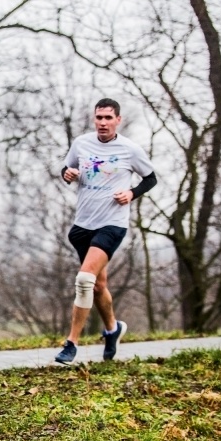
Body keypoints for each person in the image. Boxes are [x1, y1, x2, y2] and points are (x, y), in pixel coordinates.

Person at [55, 98, 157, 364]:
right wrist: (67, 173)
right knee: (99, 286)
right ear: (94, 119)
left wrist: (132, 193)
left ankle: (71, 344)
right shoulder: (82, 143)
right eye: (99, 117)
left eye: (108, 118)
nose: (102, 122)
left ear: (118, 120)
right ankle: (113, 329)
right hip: (83, 225)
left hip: (112, 224)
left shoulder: (130, 150)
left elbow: (151, 178)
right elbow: (66, 168)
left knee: (85, 280)